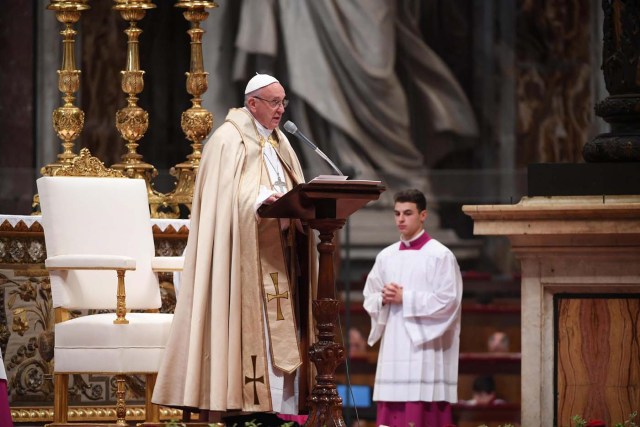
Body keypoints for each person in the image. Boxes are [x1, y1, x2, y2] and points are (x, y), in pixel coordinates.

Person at [152, 73, 316, 423]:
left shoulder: (280, 144)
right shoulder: (227, 141)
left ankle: (276, 408)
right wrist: (259, 202)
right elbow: (224, 203)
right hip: (241, 261)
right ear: (252, 103)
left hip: (280, 256)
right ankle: (240, 406)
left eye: (283, 102)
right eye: (274, 102)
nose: (280, 109)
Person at [363, 189, 463, 427]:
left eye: (407, 213)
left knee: (422, 409)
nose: (401, 219)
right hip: (394, 347)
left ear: (423, 215)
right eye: (397, 213)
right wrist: (383, 299)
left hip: (425, 348)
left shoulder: (440, 256)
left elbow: (449, 300)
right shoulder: (385, 256)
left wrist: (405, 297)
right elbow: (369, 296)